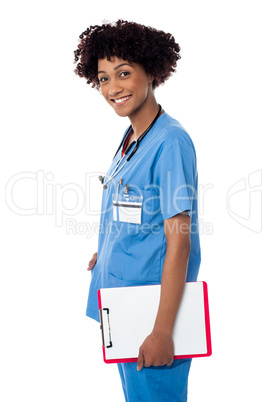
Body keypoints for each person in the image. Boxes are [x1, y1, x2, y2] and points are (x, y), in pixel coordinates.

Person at [74, 19, 201, 402]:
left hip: (152, 314)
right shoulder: (132, 137)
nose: (113, 88)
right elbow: (136, 210)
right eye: (103, 79)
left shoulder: (170, 141)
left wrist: (162, 332)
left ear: (152, 72)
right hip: (125, 306)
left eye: (124, 73)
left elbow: (179, 243)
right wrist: (111, 247)